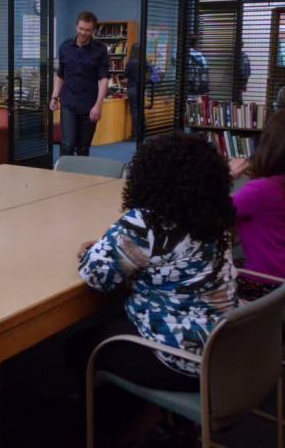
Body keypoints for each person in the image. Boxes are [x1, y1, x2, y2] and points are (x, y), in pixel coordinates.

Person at [70, 132, 238, 396]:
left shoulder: (147, 223)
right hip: (227, 341)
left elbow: (96, 276)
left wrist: (88, 252)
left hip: (183, 358)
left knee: (77, 344)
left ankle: (117, 415)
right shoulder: (214, 216)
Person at [229, 110, 285, 301]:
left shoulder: (260, 190)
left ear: (268, 146)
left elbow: (211, 209)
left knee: (210, 275)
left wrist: (228, 176)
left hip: (268, 284)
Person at [51, 11, 110, 156]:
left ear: (93, 30)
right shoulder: (65, 47)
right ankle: (64, 171)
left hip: (89, 105)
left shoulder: (100, 49)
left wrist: (98, 105)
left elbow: (103, 79)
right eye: (81, 28)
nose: (83, 33)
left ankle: (81, 171)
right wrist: (54, 96)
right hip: (69, 102)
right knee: (67, 144)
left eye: (87, 30)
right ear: (76, 26)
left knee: (83, 148)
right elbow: (60, 75)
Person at [123, 43, 160, 140]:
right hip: (141, 88)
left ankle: (136, 134)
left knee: (134, 111)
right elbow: (151, 70)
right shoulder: (144, 62)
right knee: (140, 109)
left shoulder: (130, 63)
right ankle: (143, 131)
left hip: (132, 87)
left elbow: (125, 75)